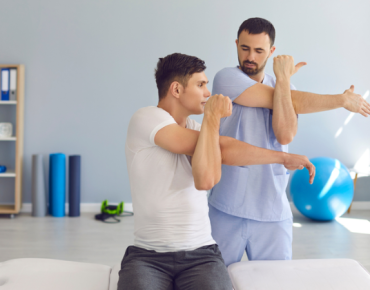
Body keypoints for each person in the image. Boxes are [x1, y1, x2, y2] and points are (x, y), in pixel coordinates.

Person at [118, 52, 316, 290]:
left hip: (201, 255)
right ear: (176, 90)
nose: (208, 93)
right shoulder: (147, 118)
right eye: (201, 85)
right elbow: (221, 148)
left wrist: (283, 158)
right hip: (147, 257)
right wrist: (212, 118)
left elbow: (209, 176)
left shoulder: (196, 128)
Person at [208, 17, 370, 266]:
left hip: (273, 211)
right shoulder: (226, 79)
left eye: (259, 50)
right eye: (244, 48)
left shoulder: (284, 87)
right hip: (227, 207)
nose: (250, 56)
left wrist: (283, 79)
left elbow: (285, 135)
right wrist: (340, 100)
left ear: (271, 52)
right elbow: (294, 101)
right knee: (215, 281)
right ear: (236, 44)